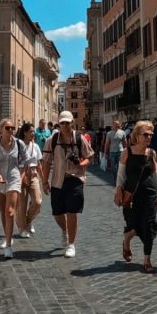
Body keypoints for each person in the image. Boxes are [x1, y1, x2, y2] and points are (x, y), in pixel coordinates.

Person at [40, 110, 94, 258]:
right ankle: (65, 230)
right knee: (57, 213)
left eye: (67, 122)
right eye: (62, 123)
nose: (64, 125)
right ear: (59, 124)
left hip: (75, 179)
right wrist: (44, 181)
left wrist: (81, 163)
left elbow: (90, 157)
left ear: (72, 123)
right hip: (58, 180)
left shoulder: (79, 138)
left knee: (72, 212)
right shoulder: (53, 139)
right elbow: (46, 162)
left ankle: (71, 244)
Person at [117, 120, 157, 273]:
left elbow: (155, 175)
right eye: (146, 134)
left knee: (150, 226)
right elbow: (121, 175)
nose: (149, 137)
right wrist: (118, 190)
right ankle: (126, 241)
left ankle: (147, 260)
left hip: (149, 195)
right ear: (137, 136)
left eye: (151, 134)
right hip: (131, 196)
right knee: (134, 225)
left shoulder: (152, 153)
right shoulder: (127, 153)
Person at [0, 118, 27, 258]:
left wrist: (21, 178)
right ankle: (7, 236)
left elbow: (24, 162)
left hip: (14, 179)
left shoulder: (19, 143)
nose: (11, 130)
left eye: (12, 128)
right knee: (3, 212)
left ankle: (8, 247)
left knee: (10, 212)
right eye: (8, 128)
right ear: (1, 129)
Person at [15, 123, 43, 239]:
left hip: (33, 174)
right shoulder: (17, 145)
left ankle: (28, 221)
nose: (33, 133)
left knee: (37, 202)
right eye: (31, 131)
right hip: (21, 174)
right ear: (25, 132)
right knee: (22, 203)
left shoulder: (35, 146)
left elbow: (39, 163)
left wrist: (44, 179)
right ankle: (22, 228)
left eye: (33, 131)